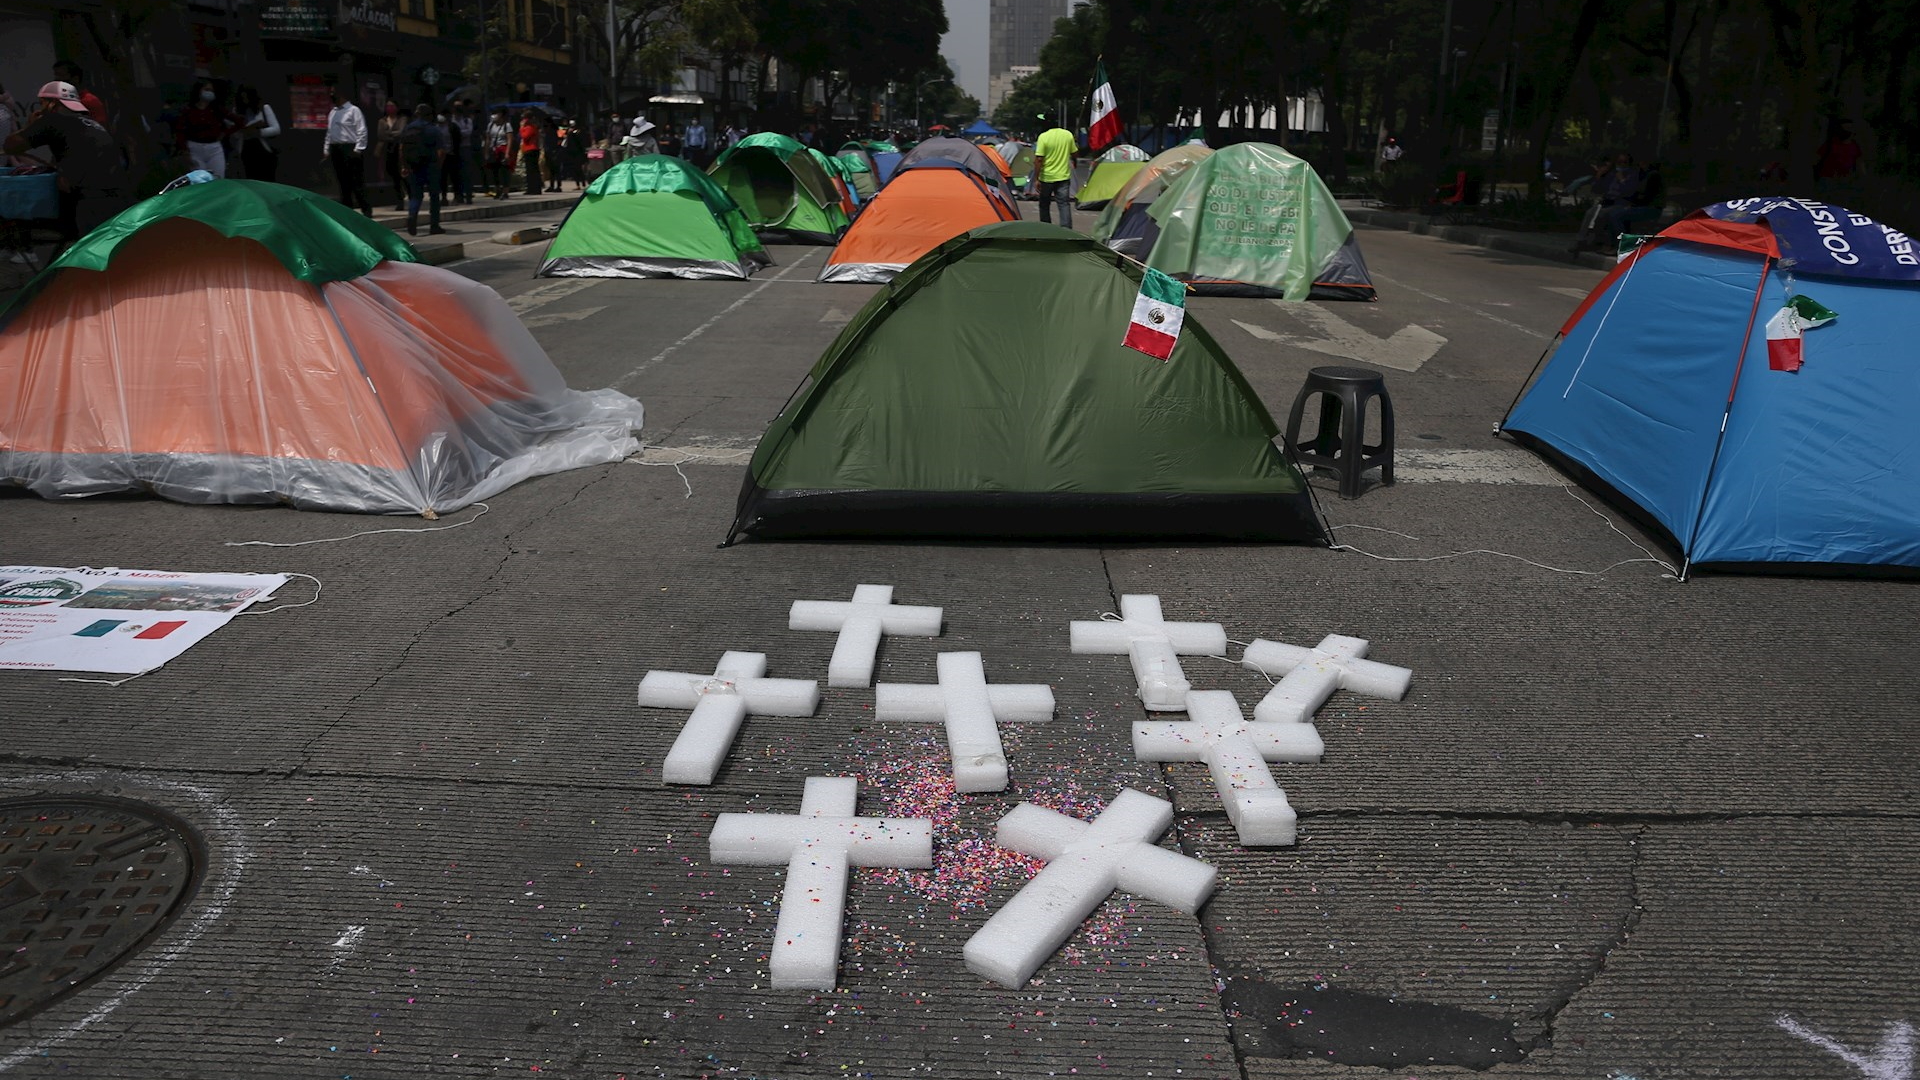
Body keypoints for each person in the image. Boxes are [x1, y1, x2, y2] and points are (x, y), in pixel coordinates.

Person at [2, 81, 130, 249]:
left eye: (42, 103)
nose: (40, 108)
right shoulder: (91, 123)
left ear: (52, 103)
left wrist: (30, 125)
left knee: (91, 249)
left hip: (89, 197)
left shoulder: (53, 119)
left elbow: (11, 146)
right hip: (118, 193)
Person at [397, 103, 446, 236]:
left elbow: (401, 149)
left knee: (415, 195)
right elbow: (441, 151)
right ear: (430, 115)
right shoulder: (434, 130)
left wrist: (404, 166)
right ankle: (434, 225)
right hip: (431, 165)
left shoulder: (408, 128)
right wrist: (438, 166)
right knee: (434, 196)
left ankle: (412, 217)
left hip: (413, 166)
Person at [321, 86, 371, 215]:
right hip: (336, 148)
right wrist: (326, 149)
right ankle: (348, 210)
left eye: (333, 93)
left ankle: (366, 210)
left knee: (357, 181)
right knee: (343, 182)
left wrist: (358, 149)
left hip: (350, 147)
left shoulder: (354, 110)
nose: (331, 95)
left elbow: (362, 130)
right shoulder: (333, 112)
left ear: (341, 94)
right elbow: (329, 132)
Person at [176, 80, 237, 177]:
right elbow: (180, 131)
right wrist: (184, 151)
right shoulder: (188, 110)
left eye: (211, 90)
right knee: (200, 179)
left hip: (214, 147)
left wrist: (225, 133)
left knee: (218, 177)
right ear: (199, 91)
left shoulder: (217, 109)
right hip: (194, 147)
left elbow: (238, 121)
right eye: (206, 89)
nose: (209, 92)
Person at [1032, 111, 1077, 227]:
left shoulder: (1043, 137)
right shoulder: (1068, 135)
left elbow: (1039, 159)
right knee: (1064, 204)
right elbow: (1074, 152)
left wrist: (1036, 178)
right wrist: (1074, 161)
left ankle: (1046, 228)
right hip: (1063, 177)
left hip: (1047, 177)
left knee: (1044, 204)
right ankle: (1066, 231)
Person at [232, 85, 280, 182]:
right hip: (245, 149)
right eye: (242, 98)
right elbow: (235, 133)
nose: (245, 100)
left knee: (267, 179)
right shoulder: (236, 111)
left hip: (262, 148)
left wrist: (258, 132)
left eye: (247, 97)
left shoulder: (264, 108)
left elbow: (276, 129)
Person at [51, 62, 106, 126]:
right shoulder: (57, 100)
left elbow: (100, 128)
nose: (57, 80)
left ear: (75, 79)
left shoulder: (90, 101)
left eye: (61, 75)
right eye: (56, 75)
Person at [373, 100, 405, 210]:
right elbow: (381, 135)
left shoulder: (402, 119)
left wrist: (389, 134)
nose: (389, 108)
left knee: (401, 174)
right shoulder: (382, 121)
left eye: (392, 106)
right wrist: (393, 134)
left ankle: (402, 197)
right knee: (391, 174)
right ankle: (397, 197)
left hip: (399, 149)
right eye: (388, 106)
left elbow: (401, 132)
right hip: (386, 150)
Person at [483, 106, 516, 199]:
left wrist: (507, 153)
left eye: (496, 113)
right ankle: (497, 190)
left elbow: (510, 139)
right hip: (493, 149)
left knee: (505, 171)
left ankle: (505, 192)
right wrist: (486, 152)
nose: (494, 116)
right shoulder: (490, 125)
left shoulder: (507, 125)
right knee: (495, 171)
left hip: (503, 149)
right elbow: (488, 139)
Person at [519, 109, 541, 195]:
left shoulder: (530, 127)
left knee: (531, 170)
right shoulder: (532, 127)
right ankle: (533, 188)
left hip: (530, 149)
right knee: (531, 170)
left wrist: (521, 128)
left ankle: (533, 189)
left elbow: (524, 136)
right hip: (529, 149)